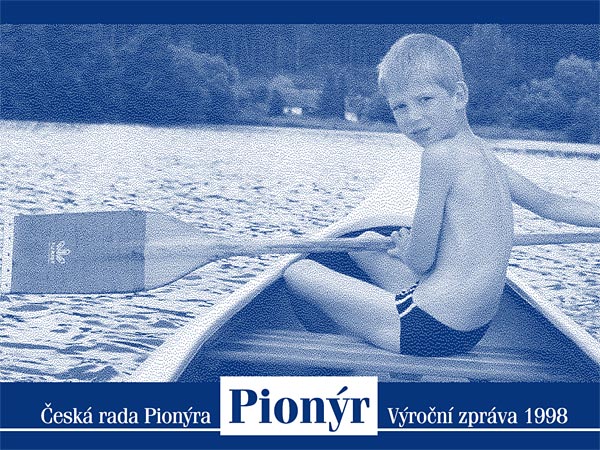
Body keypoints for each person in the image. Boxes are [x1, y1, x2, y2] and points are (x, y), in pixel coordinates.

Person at [283, 33, 600, 357]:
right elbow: (551, 204)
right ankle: (376, 327)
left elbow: (421, 261)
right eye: (400, 107)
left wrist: (407, 250)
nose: (413, 117)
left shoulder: (438, 156)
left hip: (427, 328)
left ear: (459, 95)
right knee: (363, 245)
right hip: (472, 330)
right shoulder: (484, 155)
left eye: (425, 100)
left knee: (297, 272)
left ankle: (349, 353)